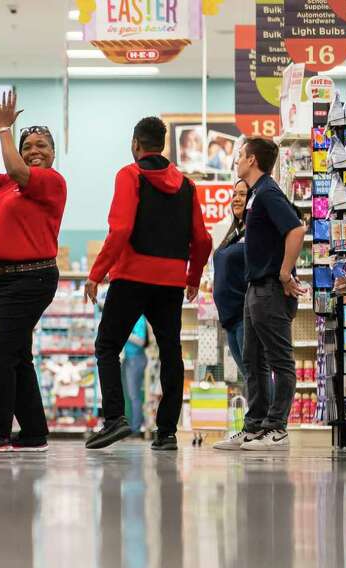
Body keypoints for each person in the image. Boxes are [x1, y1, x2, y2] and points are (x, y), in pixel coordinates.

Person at [84, 116, 212, 451]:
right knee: (170, 352)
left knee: (107, 346)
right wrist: (192, 277)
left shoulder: (130, 175)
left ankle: (115, 418)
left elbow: (121, 229)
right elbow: (202, 239)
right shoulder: (187, 185)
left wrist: (96, 273)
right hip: (170, 282)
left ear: (135, 144)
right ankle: (166, 432)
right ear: (163, 144)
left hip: (132, 277)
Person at [0, 89, 68, 454]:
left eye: (42, 146)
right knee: (18, 355)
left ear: (53, 153)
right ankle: (35, 433)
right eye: (28, 146)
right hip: (0, 278)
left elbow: (16, 170)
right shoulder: (6, 184)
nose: (35, 150)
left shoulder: (51, 181)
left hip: (32, 277)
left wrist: (6, 130)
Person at [216, 137, 306, 452]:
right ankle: (254, 427)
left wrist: (284, 272)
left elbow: (296, 229)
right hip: (254, 288)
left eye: (240, 154)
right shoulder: (256, 194)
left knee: (280, 360)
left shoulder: (268, 192)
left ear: (252, 159)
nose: (237, 160)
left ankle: (277, 428)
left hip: (270, 288)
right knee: (253, 361)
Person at [212, 179, 249, 382]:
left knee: (254, 374)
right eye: (234, 194)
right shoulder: (234, 233)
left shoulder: (255, 232)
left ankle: (269, 405)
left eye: (242, 194)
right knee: (249, 376)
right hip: (230, 319)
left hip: (245, 315)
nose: (236, 199)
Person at [122, 317, 149, 433]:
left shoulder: (139, 319)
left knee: (134, 395)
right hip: (129, 358)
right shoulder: (133, 317)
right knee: (131, 395)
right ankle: (135, 424)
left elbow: (141, 341)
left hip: (136, 359)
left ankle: (135, 428)